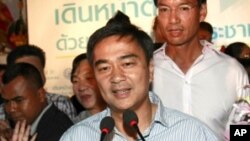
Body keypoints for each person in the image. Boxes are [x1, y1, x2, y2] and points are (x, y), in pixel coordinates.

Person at [60, 11, 218, 141]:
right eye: (104, 68)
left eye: (127, 64)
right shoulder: (77, 137)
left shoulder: (192, 133)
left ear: (150, 70)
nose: (116, 77)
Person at [153, 0, 249, 139]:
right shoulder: (145, 71)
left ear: (202, 11)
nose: (173, 19)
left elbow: (242, 131)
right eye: (164, 9)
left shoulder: (232, 71)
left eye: (184, 8)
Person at [1, 63, 73, 141]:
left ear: (41, 95)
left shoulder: (58, 131)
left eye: (19, 100)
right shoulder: (18, 128)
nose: (11, 109)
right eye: (7, 101)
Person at [4, 44, 76, 120]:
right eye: (23, 72)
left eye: (34, 71)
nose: (12, 108)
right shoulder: (2, 113)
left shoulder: (61, 103)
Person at [70, 53, 106, 123]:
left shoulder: (125, 118)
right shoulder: (73, 127)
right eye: (75, 81)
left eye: (89, 78)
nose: (81, 88)